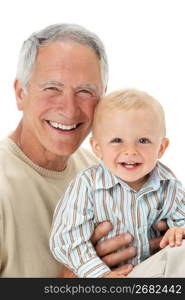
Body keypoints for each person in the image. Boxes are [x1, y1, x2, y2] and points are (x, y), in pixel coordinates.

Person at [0, 23, 146, 277]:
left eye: (85, 91)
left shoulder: (104, 173)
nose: (69, 109)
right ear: (20, 93)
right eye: (52, 89)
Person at [50, 89, 185, 278]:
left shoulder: (169, 184)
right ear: (97, 147)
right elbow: (67, 240)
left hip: (154, 275)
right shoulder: (87, 185)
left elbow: (181, 221)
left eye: (143, 140)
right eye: (117, 140)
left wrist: (179, 231)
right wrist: (100, 275)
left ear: (161, 148)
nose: (130, 151)